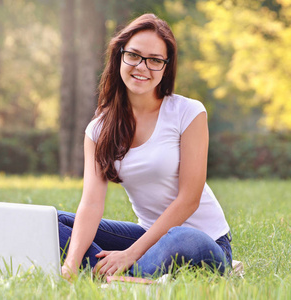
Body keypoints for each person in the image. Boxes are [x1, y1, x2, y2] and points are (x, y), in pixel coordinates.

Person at [58, 13, 232, 279]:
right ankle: (115, 274)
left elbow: (189, 200)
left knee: (182, 237)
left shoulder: (188, 112)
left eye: (154, 60)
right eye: (134, 56)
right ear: (120, 56)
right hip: (147, 237)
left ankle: (113, 271)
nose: (142, 67)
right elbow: (91, 204)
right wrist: (70, 263)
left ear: (166, 67)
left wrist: (130, 253)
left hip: (202, 242)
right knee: (53, 222)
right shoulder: (99, 129)